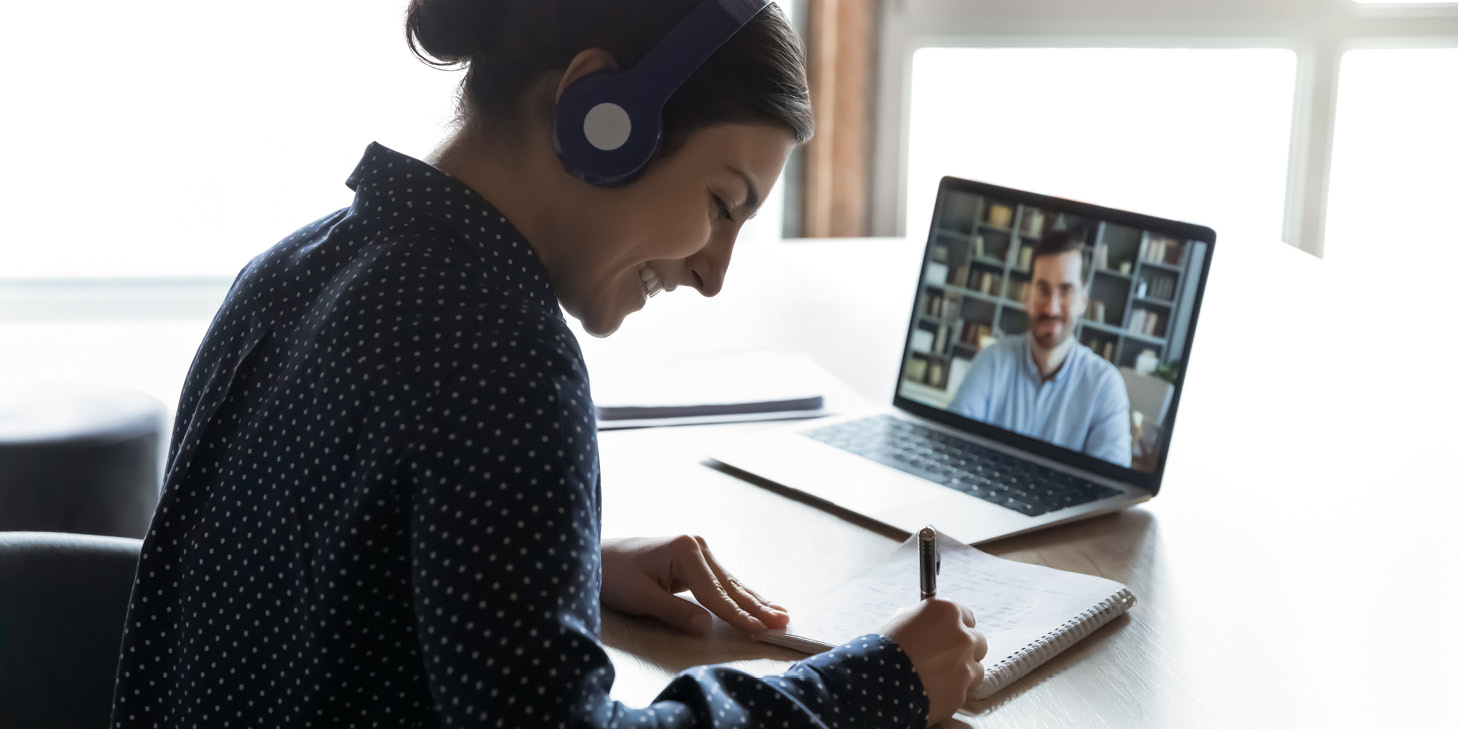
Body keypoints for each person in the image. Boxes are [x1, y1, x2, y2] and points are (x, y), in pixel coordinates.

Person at [109, 2, 987, 728]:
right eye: (723, 203)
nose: (715, 274)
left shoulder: (291, 271)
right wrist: (873, 686)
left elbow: (306, 570)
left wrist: (545, 568)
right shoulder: (502, 357)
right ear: (600, 117)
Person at [948, 230, 1132, 466]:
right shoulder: (991, 361)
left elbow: (1109, 491)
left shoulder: (1106, 386)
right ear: (1027, 296)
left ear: (1083, 301)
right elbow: (950, 446)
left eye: (1066, 290)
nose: (1052, 307)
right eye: (1043, 289)